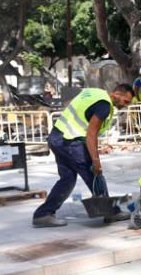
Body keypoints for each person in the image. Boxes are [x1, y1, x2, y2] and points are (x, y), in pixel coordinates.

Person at [32, 85, 135, 227]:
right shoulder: (104, 105)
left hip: (57, 136)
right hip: (71, 141)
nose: (125, 105)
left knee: (67, 179)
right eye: (126, 101)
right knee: (95, 175)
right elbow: (91, 134)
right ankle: (111, 212)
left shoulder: (94, 92)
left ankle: (43, 214)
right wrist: (96, 160)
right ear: (116, 94)